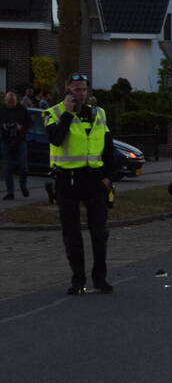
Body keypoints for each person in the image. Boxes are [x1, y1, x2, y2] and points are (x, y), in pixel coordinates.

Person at [45, 73, 117, 295]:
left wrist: (108, 177)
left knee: (99, 232)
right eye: (77, 89)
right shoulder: (53, 113)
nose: (81, 93)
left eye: (84, 89)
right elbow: (56, 139)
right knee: (72, 233)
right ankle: (78, 280)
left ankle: (100, 278)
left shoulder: (98, 113)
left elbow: (108, 147)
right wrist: (67, 113)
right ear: (67, 89)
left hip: (94, 180)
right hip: (67, 180)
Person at [1, 91, 31, 199]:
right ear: (5, 101)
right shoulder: (2, 110)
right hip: (6, 140)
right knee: (7, 168)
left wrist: (21, 127)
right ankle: (10, 192)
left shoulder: (22, 109)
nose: (11, 104)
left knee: (23, 166)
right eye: (9, 102)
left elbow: (30, 122)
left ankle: (23, 185)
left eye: (13, 102)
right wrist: (3, 126)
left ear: (16, 101)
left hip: (20, 140)